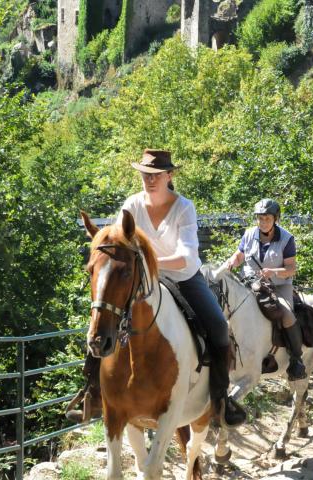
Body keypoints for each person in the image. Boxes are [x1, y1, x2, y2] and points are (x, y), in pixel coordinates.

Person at [75, 149, 246, 428]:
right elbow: (118, 244)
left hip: (184, 278)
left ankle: (220, 399)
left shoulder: (184, 207)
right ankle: (92, 393)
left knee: (217, 326)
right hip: (142, 280)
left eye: (155, 175)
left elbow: (187, 257)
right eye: (145, 174)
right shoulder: (131, 205)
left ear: (169, 175)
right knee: (103, 319)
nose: (149, 180)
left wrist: (145, 262)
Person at [224, 198, 306, 381]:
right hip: (249, 283)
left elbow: (291, 269)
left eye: (267, 218)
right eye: (260, 218)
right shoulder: (248, 234)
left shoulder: (287, 238)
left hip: (278, 286)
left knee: (286, 314)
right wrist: (232, 261)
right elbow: (239, 255)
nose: (262, 222)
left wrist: (273, 272)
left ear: (275, 219)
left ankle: (296, 360)